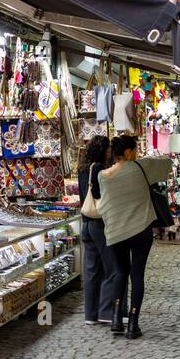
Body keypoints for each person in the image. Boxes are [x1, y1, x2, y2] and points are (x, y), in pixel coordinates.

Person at [97, 135, 172, 339]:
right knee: (137, 275)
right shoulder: (141, 167)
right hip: (140, 230)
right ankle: (133, 323)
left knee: (120, 272)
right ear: (129, 151)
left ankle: (115, 319)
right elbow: (167, 164)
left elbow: (104, 204)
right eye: (135, 149)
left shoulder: (103, 175)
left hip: (116, 232)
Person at [78, 135, 118, 325]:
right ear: (103, 150)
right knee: (111, 268)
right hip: (99, 223)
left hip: (85, 222)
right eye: (108, 149)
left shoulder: (83, 168)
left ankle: (90, 314)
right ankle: (106, 312)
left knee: (91, 270)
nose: (110, 152)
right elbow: (101, 195)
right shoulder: (100, 169)